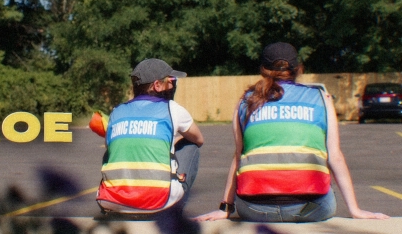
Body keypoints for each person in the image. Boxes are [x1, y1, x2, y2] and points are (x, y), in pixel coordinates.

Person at [195, 42, 389, 222]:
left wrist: (225, 208)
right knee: (325, 190)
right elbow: (335, 157)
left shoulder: (246, 101)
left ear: (263, 70)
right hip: (310, 208)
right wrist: (355, 210)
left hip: (253, 209)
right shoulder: (320, 98)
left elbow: (239, 158)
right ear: (298, 69)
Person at [94, 58, 204, 215]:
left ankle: (117, 197)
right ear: (157, 85)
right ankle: (174, 213)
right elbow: (198, 139)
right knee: (191, 146)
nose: (173, 85)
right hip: (159, 202)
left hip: (112, 202)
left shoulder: (117, 112)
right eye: (171, 80)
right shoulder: (172, 108)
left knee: (113, 148)